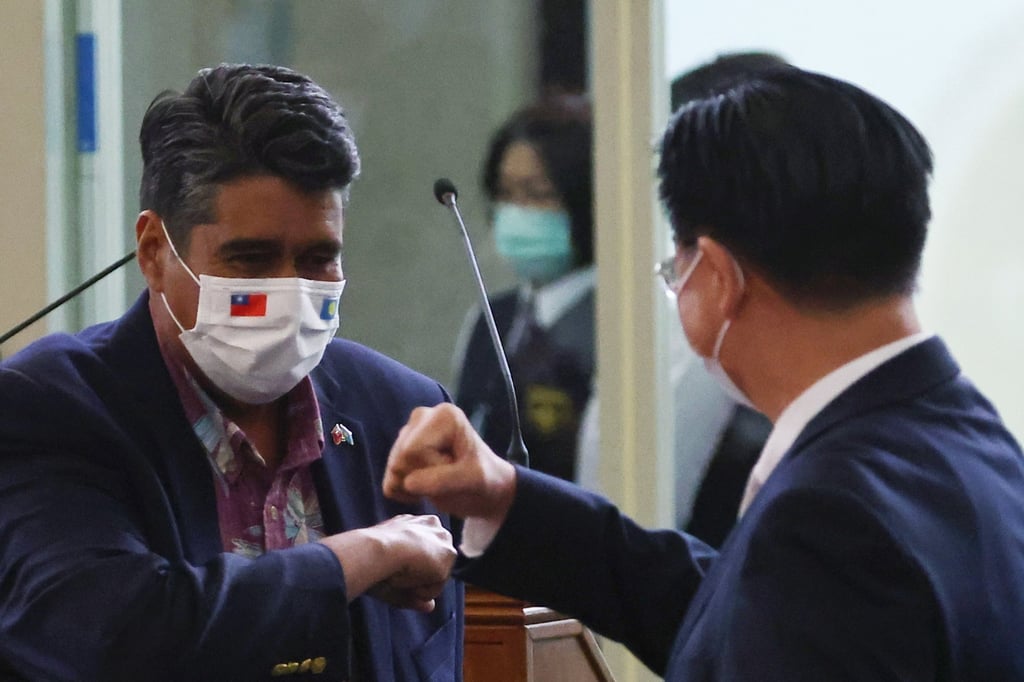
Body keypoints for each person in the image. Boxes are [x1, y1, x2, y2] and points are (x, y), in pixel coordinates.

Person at [384, 64, 1024, 679]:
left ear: (717, 276)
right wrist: (509, 497)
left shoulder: (829, 518)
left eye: (676, 262)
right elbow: (741, 618)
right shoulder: (967, 433)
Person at [0, 64, 462, 681]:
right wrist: (363, 555)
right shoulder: (50, 409)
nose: (288, 290)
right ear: (154, 252)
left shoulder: (399, 412)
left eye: (318, 258)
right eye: (252, 258)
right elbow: (111, 636)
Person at [451, 95, 593, 482]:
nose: (517, 211)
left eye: (538, 194)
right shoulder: (492, 317)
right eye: (506, 193)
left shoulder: (617, 320)